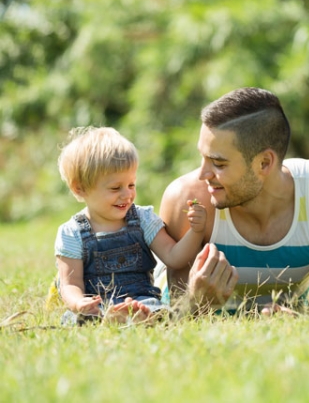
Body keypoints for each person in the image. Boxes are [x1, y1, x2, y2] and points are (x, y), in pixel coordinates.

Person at [158, 87, 309, 314]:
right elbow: (175, 323)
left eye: (218, 163)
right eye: (202, 157)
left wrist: (301, 326)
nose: (202, 174)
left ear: (264, 163)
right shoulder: (187, 201)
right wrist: (197, 303)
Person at [54, 127, 206, 325]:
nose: (127, 195)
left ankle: (133, 315)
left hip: (142, 300)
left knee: (159, 312)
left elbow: (174, 256)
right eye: (116, 188)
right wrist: (78, 303)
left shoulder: (142, 219)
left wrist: (197, 231)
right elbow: (70, 284)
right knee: (78, 319)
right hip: (97, 306)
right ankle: (114, 317)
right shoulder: (72, 233)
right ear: (80, 188)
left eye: (131, 185)